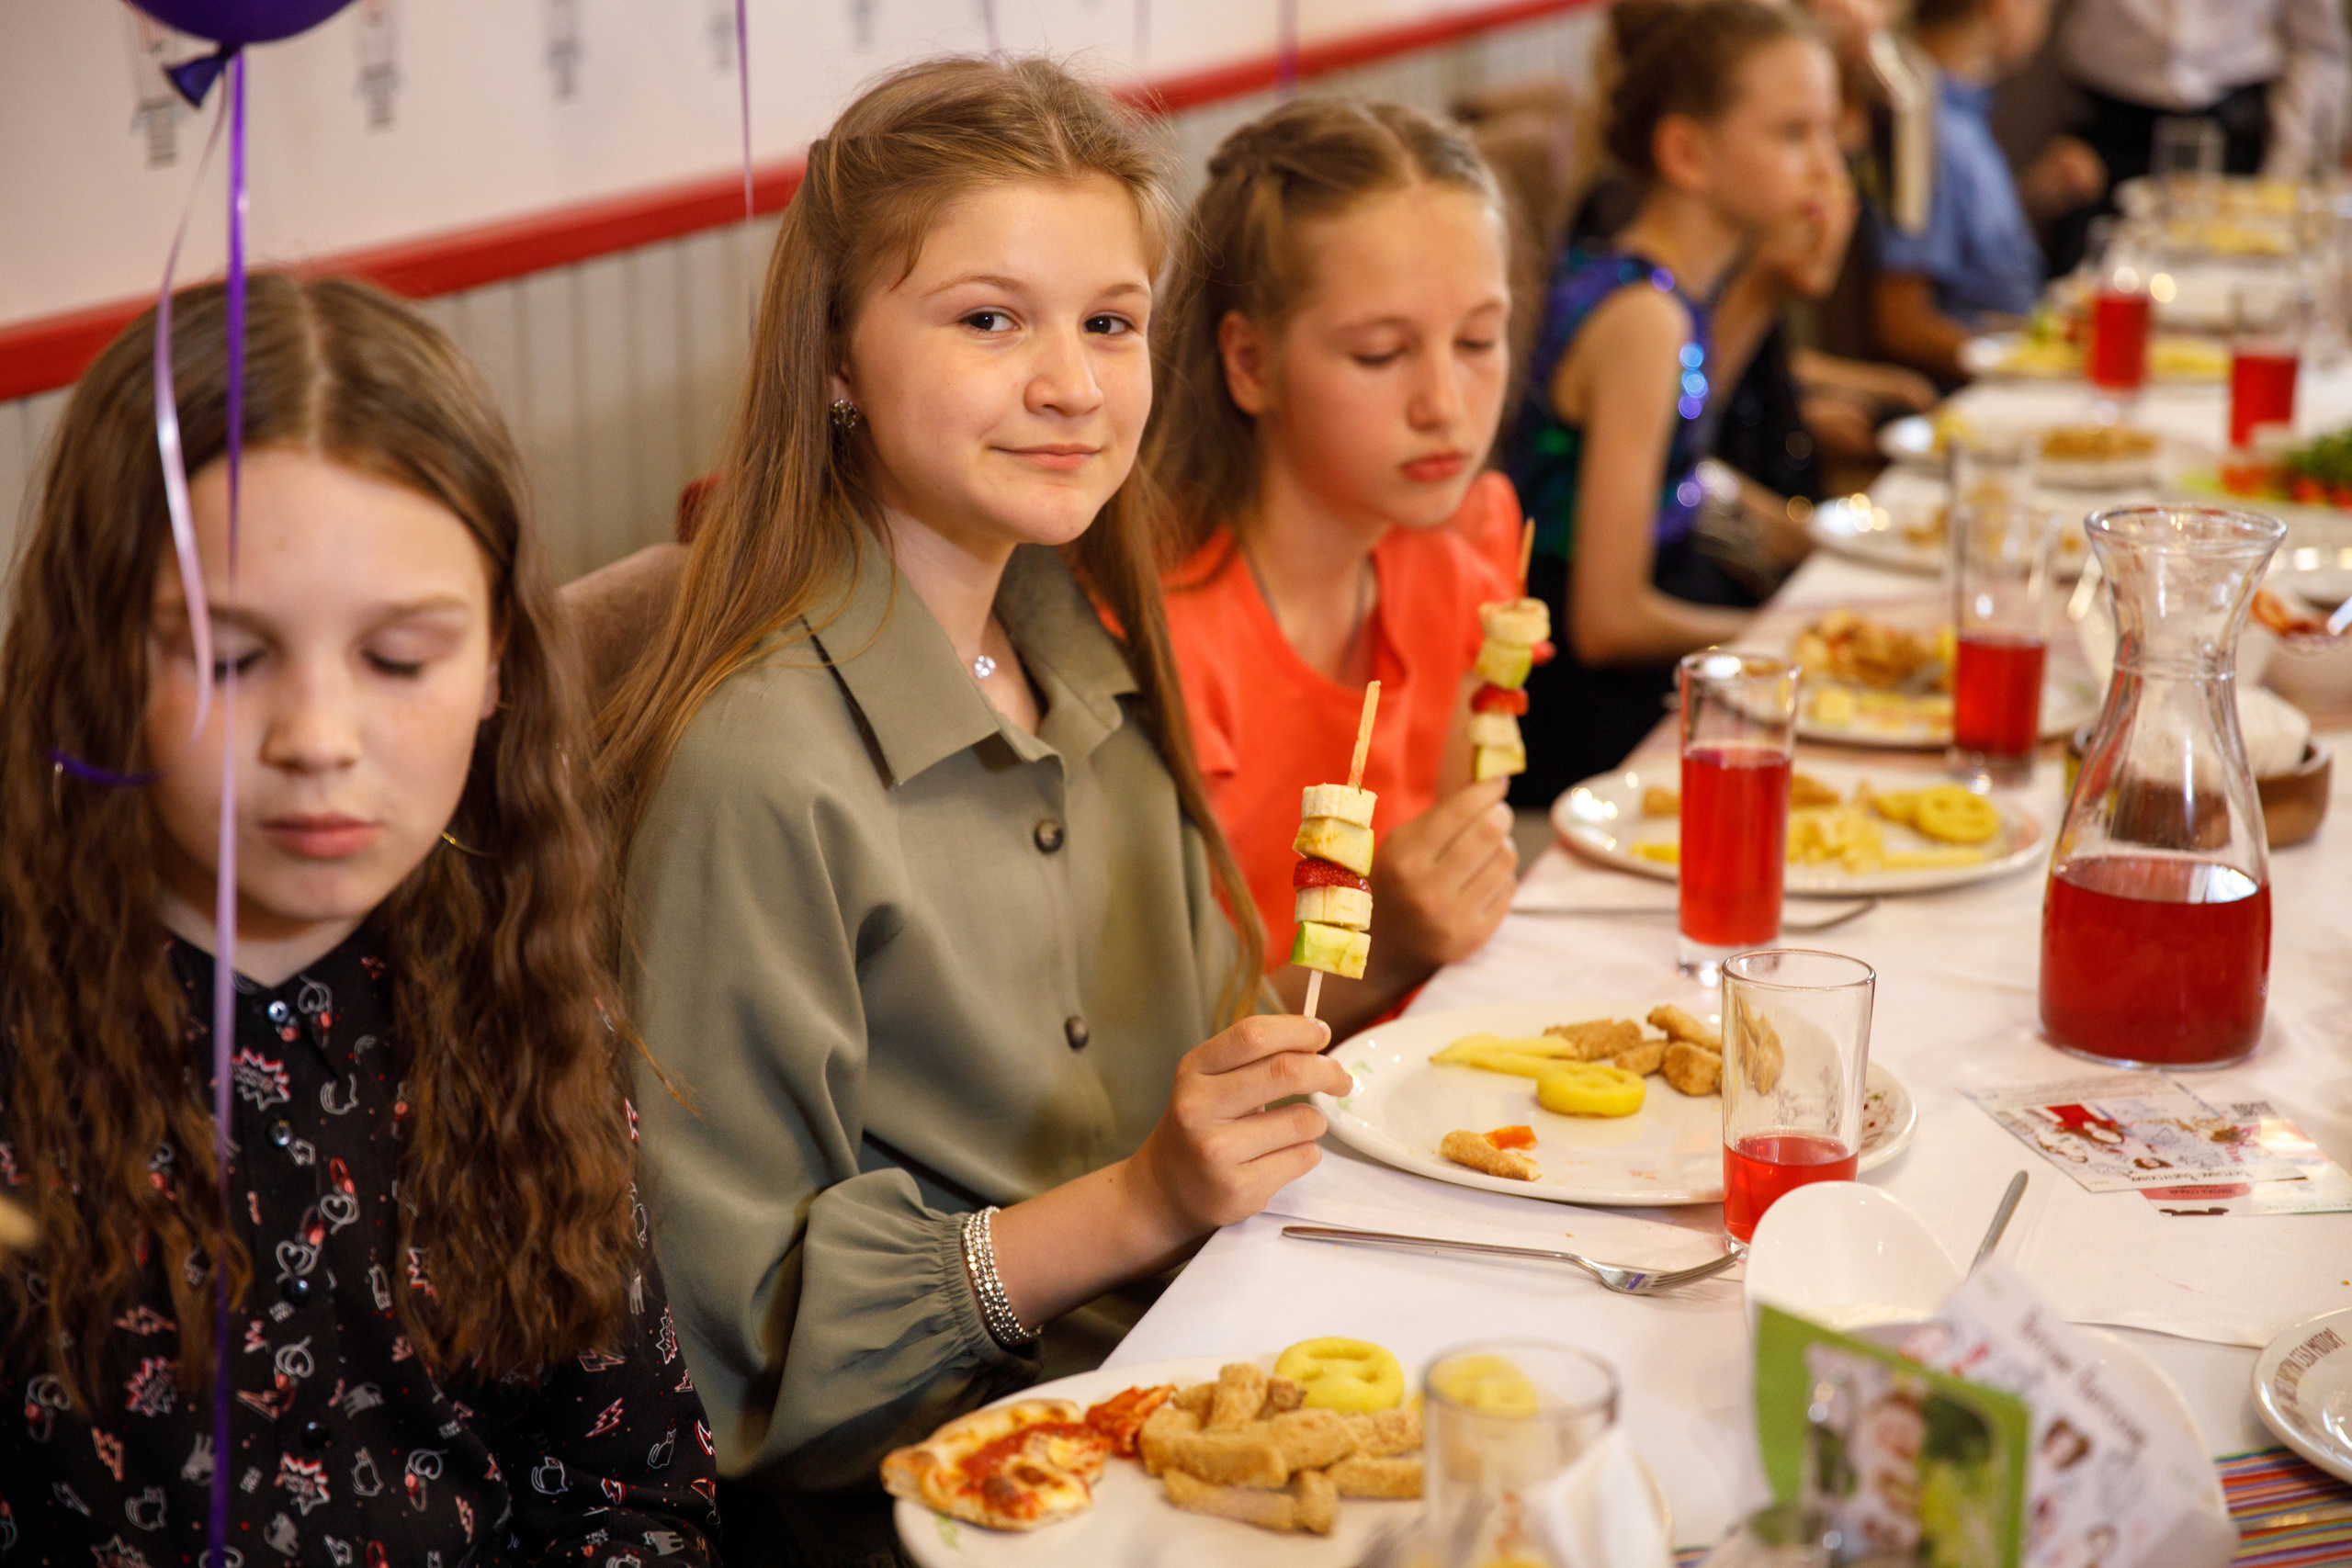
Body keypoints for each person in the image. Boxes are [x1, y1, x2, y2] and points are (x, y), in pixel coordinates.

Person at [597, 57, 1351, 1565]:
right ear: (832, 360)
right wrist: (1143, 1197)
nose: (1072, 382)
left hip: (1177, 1372)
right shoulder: (759, 764)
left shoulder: (1080, 649)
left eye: (1110, 323)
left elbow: (1225, 1059)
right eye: (989, 319)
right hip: (932, 1491)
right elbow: (744, 1357)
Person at [0, 276, 718, 1562]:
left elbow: (633, 1492)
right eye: (227, 658)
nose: (320, 741)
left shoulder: (503, 976)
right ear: (96, 655)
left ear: (499, 662)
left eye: (398, 660)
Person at [1148, 99, 1522, 1035]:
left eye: (1478, 341)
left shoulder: (1462, 559)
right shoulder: (1162, 634)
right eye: (1380, 353)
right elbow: (1156, 1062)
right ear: (1249, 362)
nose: (1445, 404)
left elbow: (1463, 895)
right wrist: (1389, 942)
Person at [1504, 0, 1843, 802]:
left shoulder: (1671, 292)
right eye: (1794, 135)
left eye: (1828, 132)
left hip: (1635, 666)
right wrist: (1785, 637)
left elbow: (1684, 476)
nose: (1826, 166)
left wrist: (1820, 552)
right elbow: (1606, 618)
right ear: (1688, 152)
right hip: (1583, 717)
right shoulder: (1644, 320)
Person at [1870, 0, 2106, 383]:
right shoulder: (1925, 126)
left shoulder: (1959, 111)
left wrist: (2030, 195)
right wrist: (2028, 368)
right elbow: (1903, 325)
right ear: (2003, 7)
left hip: (2021, 342)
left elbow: (1962, 244)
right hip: (1982, 385)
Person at [2051, 0, 2350, 272]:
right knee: (2086, 296)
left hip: (2236, 137)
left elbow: (2318, 49)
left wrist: (2284, 174)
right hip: (2109, 132)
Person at [1710, 171, 1938, 523]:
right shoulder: (1657, 296)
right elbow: (1686, 464)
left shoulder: (1754, 291)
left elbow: (1783, 367)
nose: (1834, 182)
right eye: (1795, 133)